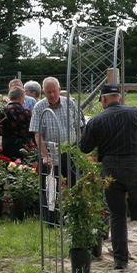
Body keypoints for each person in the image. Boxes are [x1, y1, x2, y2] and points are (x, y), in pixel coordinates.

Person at [78, 84, 137, 269]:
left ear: (103, 99)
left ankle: (120, 259)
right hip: (134, 164)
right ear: (119, 97)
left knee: (117, 213)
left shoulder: (96, 120)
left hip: (110, 167)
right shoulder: (134, 113)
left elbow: (84, 147)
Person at [29, 77, 86, 221]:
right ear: (44, 92)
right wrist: (44, 155)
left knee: (75, 182)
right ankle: (50, 219)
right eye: (49, 92)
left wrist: (78, 150)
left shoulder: (70, 104)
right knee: (49, 186)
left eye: (54, 91)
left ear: (59, 90)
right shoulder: (39, 107)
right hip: (49, 151)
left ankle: (73, 215)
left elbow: (79, 128)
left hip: (69, 150)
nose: (52, 95)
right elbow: (37, 133)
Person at [0, 86, 32, 160]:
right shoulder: (27, 111)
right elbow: (31, 129)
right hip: (24, 146)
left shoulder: (3, 111)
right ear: (20, 97)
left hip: (8, 145)